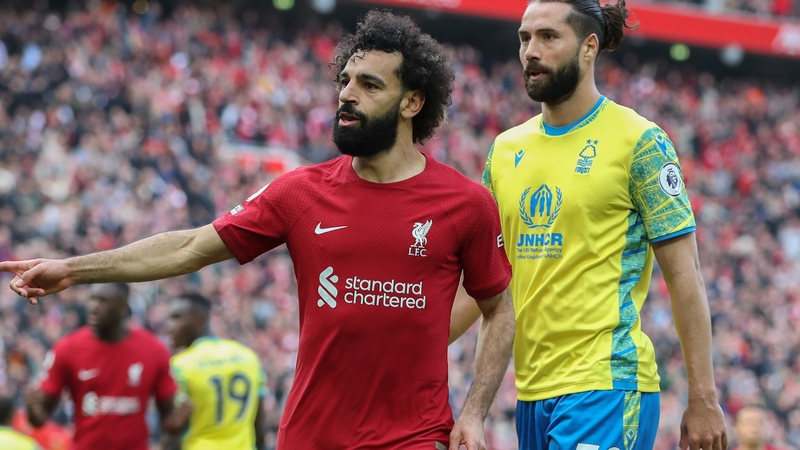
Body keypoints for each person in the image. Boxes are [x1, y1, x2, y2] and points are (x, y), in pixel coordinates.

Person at [1, 10, 515, 450]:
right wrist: (72, 269)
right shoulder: (298, 192)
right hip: (310, 435)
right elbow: (189, 246)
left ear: (412, 103)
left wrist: (473, 411)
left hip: (415, 436)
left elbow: (499, 307)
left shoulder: (466, 204)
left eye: (370, 85)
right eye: (345, 81)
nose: (347, 95)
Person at [464, 0, 728, 448]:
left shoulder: (640, 141)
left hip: (607, 385)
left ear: (590, 47)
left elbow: (686, 276)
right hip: (531, 392)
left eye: (549, 37)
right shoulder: (505, 151)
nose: (531, 50)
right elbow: (486, 287)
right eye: (525, 38)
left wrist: (702, 396)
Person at [23, 283, 179, 450]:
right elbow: (39, 419)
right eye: (92, 299)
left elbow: (168, 418)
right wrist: (32, 409)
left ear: (123, 308)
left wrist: (178, 424)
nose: (93, 306)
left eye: (103, 301)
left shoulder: (154, 350)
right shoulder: (67, 348)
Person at [162, 292, 267, 450]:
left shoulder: (181, 365)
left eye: (176, 317)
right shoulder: (248, 357)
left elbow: (174, 431)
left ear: (199, 320)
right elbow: (259, 424)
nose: (169, 326)